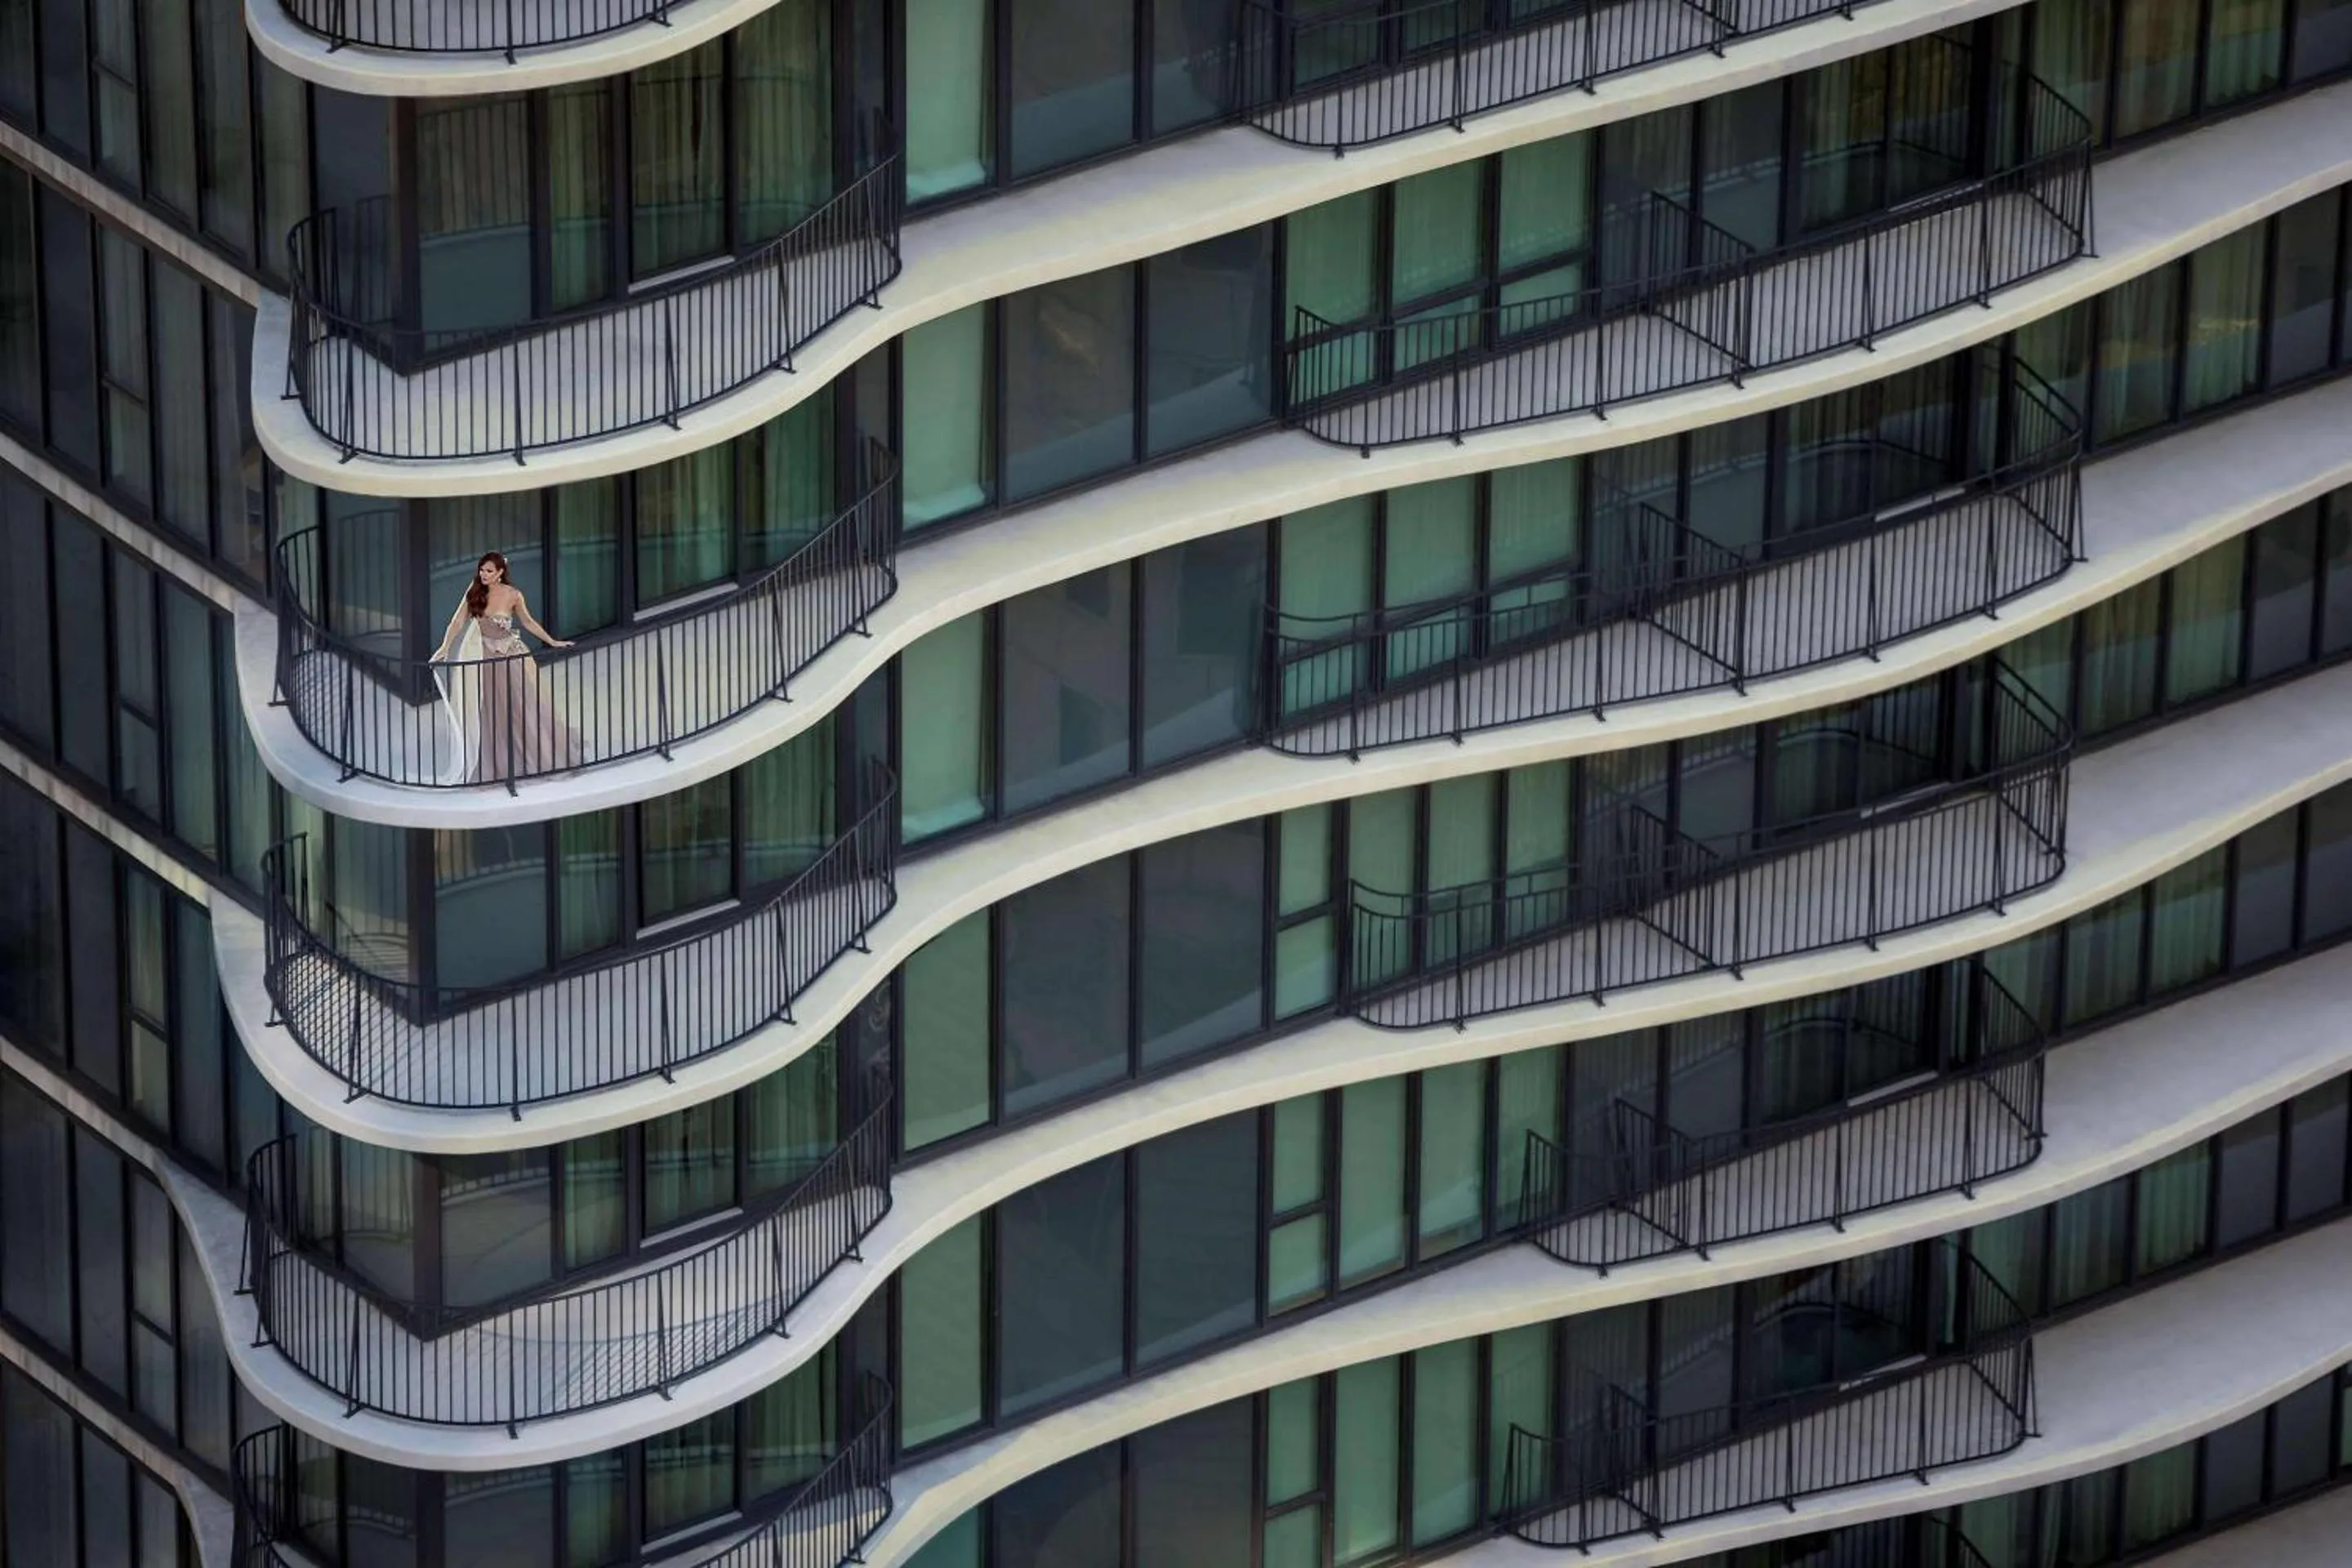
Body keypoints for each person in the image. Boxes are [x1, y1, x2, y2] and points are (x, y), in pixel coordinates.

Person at [429, 552, 582, 784]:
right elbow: (458, 621)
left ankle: (537, 755)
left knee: (523, 704)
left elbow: (528, 622)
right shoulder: (475, 589)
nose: (484, 574)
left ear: (500, 573)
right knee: (490, 708)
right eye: (482, 570)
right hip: (485, 656)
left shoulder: (514, 595)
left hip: (511, 654)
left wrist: (552, 641)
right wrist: (445, 647)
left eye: (489, 571)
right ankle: (497, 762)